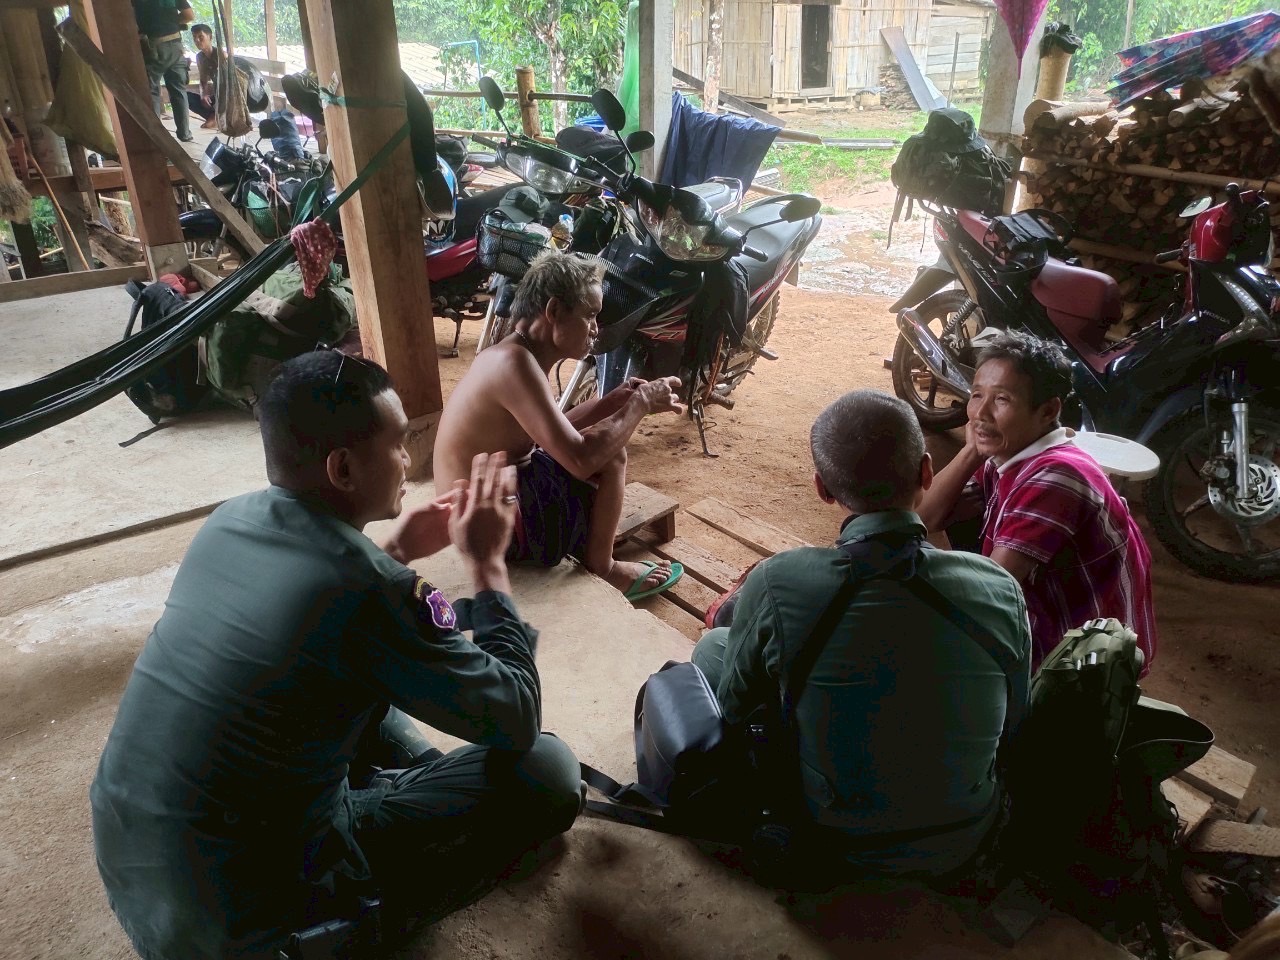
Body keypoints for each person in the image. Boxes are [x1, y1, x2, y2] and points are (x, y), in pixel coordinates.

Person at [90, 351, 582, 960]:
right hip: (250, 924)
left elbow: (327, 621)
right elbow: (517, 718)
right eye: (398, 444)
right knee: (547, 771)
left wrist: (395, 551)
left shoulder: (228, 521)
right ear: (343, 468)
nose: (409, 460)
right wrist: (486, 565)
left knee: (359, 687)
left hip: (139, 871)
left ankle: (409, 790)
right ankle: (368, 896)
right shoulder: (369, 591)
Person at [692, 390, 1031, 878]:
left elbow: (734, 706)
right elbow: (1015, 719)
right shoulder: (997, 587)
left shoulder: (779, 581)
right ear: (927, 472)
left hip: (829, 836)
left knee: (714, 647)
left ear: (822, 489)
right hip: (961, 837)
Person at [433, 250, 686, 601]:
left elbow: (546, 434)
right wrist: (639, 404)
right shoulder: (514, 364)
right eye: (590, 315)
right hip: (487, 527)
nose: (596, 328)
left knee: (594, 449)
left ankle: (584, 541)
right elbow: (580, 459)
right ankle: (605, 567)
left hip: (486, 503)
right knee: (609, 457)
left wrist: (614, 401)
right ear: (553, 311)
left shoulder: (516, 353)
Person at [916, 330, 1158, 673]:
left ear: (1048, 411)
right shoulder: (1010, 451)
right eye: (977, 394)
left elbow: (990, 589)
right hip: (1057, 624)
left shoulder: (1057, 476)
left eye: (1002, 399)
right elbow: (925, 517)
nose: (980, 413)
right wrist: (972, 450)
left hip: (1087, 662)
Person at [132, 0, 195, 142]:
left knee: (152, 91)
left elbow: (129, 19)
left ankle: (156, 138)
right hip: (176, 45)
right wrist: (171, 22)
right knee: (178, 90)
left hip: (153, 45)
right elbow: (189, 15)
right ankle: (185, 133)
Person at [189, 22, 219, 129]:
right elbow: (203, 80)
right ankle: (213, 116)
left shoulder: (221, 55)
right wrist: (203, 95)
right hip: (216, 96)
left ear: (210, 37)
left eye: (201, 37)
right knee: (187, 97)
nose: (197, 40)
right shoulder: (200, 57)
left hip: (228, 97)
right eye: (194, 37)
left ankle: (217, 116)